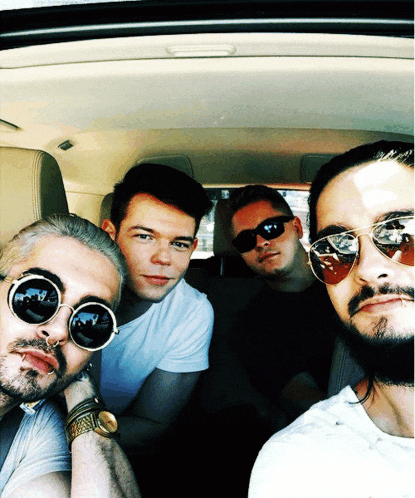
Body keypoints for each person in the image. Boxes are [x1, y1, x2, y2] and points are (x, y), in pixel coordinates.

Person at [249, 140, 414, 498]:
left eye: (402, 232)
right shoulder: (297, 464)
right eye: (337, 249)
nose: (367, 270)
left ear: (294, 229)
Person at [0, 214, 140, 498]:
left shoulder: (40, 430)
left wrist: (80, 386)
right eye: (38, 297)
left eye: (91, 322)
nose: (58, 332)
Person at [99, 163, 214, 455]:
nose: (163, 258)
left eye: (179, 243)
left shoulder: (191, 313)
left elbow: (151, 423)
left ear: (193, 247)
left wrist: (77, 439)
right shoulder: (62, 289)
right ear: (110, 234)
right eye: (144, 236)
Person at [228, 185, 336, 424]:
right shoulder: (252, 328)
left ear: (297, 227)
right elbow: (306, 403)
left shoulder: (353, 275)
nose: (260, 242)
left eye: (271, 228)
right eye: (246, 240)